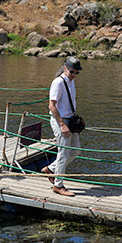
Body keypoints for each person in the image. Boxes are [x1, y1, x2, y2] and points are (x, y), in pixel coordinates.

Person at [45, 57, 83, 196]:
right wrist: (61, 124)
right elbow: (52, 105)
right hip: (60, 121)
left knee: (76, 150)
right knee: (63, 153)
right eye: (72, 71)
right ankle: (58, 185)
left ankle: (51, 169)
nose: (74, 75)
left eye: (76, 73)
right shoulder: (58, 83)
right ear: (65, 68)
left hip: (70, 120)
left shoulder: (70, 82)